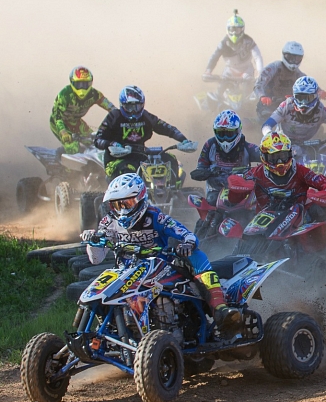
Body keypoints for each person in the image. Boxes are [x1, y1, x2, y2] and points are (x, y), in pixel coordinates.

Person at [82, 173, 241, 331]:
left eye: (127, 203)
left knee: (195, 254)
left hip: (160, 268)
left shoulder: (156, 217)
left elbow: (187, 235)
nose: (122, 210)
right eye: (117, 205)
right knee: (103, 296)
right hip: (126, 274)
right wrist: (92, 242)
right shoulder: (108, 223)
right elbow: (96, 260)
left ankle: (220, 308)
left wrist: (187, 244)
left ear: (140, 200)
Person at [94, 86, 195, 179]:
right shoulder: (114, 116)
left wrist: (184, 140)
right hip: (116, 160)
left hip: (140, 156)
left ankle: (173, 191)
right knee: (129, 170)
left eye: (137, 106)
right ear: (122, 105)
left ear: (142, 104)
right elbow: (98, 140)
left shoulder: (145, 116)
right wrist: (112, 144)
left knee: (169, 159)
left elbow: (166, 127)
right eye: (129, 107)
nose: (133, 111)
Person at [237, 132, 326, 223]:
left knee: (324, 206)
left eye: (283, 156)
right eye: (274, 158)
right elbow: (238, 187)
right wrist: (236, 186)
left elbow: (323, 182)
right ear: (264, 157)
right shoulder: (255, 173)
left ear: (290, 154)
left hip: (299, 219)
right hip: (264, 221)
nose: (280, 162)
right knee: (240, 211)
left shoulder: (300, 170)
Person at [262, 76, 326, 147]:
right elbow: (267, 125)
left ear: (316, 96)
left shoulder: (320, 110)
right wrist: (270, 135)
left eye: (308, 98)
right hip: (285, 146)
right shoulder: (286, 106)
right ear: (294, 96)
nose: (303, 103)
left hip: (312, 145)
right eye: (300, 98)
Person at [191, 110, 261, 201]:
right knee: (208, 207)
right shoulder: (209, 145)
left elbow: (267, 158)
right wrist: (203, 173)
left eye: (229, 134)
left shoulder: (247, 147)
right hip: (215, 191)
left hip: (242, 191)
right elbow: (201, 167)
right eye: (221, 134)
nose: (225, 139)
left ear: (238, 131)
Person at [50, 66, 115, 154]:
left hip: (77, 123)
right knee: (73, 147)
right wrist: (63, 132)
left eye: (85, 84)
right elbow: (57, 117)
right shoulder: (64, 95)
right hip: (59, 124)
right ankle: (65, 162)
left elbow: (112, 109)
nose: (82, 88)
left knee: (95, 143)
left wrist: (121, 119)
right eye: (78, 84)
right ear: (72, 82)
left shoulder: (95, 94)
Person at [204, 10, 264, 87]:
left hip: (247, 71)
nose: (234, 33)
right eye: (232, 30)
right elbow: (214, 57)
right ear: (227, 29)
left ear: (242, 29)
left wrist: (259, 72)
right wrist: (208, 71)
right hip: (229, 71)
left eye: (237, 30)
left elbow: (257, 57)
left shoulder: (249, 41)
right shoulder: (223, 43)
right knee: (222, 88)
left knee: (248, 89)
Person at [253, 41, 308, 112]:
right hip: (268, 104)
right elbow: (258, 85)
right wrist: (263, 97)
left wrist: (319, 92)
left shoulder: (299, 74)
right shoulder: (273, 68)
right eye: (290, 57)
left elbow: (311, 87)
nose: (293, 61)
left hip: (290, 107)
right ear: (284, 55)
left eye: (297, 58)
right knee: (265, 117)